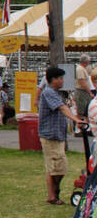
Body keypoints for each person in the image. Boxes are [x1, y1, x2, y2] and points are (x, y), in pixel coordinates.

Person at [38, 64, 82, 205]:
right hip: (51, 135)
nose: (63, 81)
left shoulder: (55, 92)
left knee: (54, 166)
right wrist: (75, 119)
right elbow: (62, 108)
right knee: (59, 167)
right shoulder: (49, 92)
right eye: (61, 78)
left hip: (57, 134)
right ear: (53, 79)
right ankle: (53, 192)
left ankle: (52, 195)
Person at [74, 55, 93, 124]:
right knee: (81, 111)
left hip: (84, 92)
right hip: (81, 92)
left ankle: (85, 127)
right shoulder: (80, 69)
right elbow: (82, 82)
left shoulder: (82, 69)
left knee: (86, 110)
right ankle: (79, 128)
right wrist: (90, 92)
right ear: (86, 61)